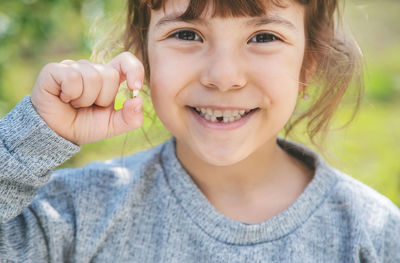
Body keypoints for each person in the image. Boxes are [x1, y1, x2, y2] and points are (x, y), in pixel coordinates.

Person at [1, 0, 399, 262]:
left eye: (263, 37)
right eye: (187, 34)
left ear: (307, 63)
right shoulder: (77, 213)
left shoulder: (373, 234)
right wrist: (30, 142)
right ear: (143, 56)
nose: (223, 77)